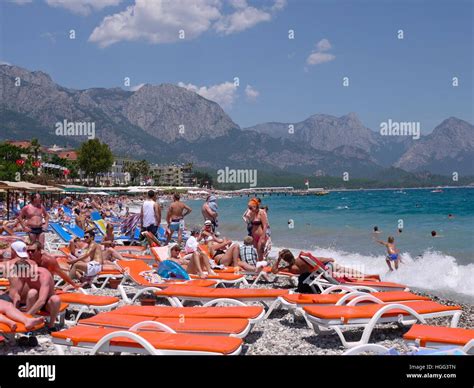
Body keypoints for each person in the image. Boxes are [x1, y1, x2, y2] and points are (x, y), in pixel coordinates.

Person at [8, 257, 61, 331]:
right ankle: (30, 326)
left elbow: (42, 300)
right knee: (32, 292)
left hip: (47, 303)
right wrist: (14, 310)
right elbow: (17, 294)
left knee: (56, 299)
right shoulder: (24, 275)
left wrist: (26, 316)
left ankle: (51, 326)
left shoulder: (43, 275)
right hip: (35, 301)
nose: (21, 277)